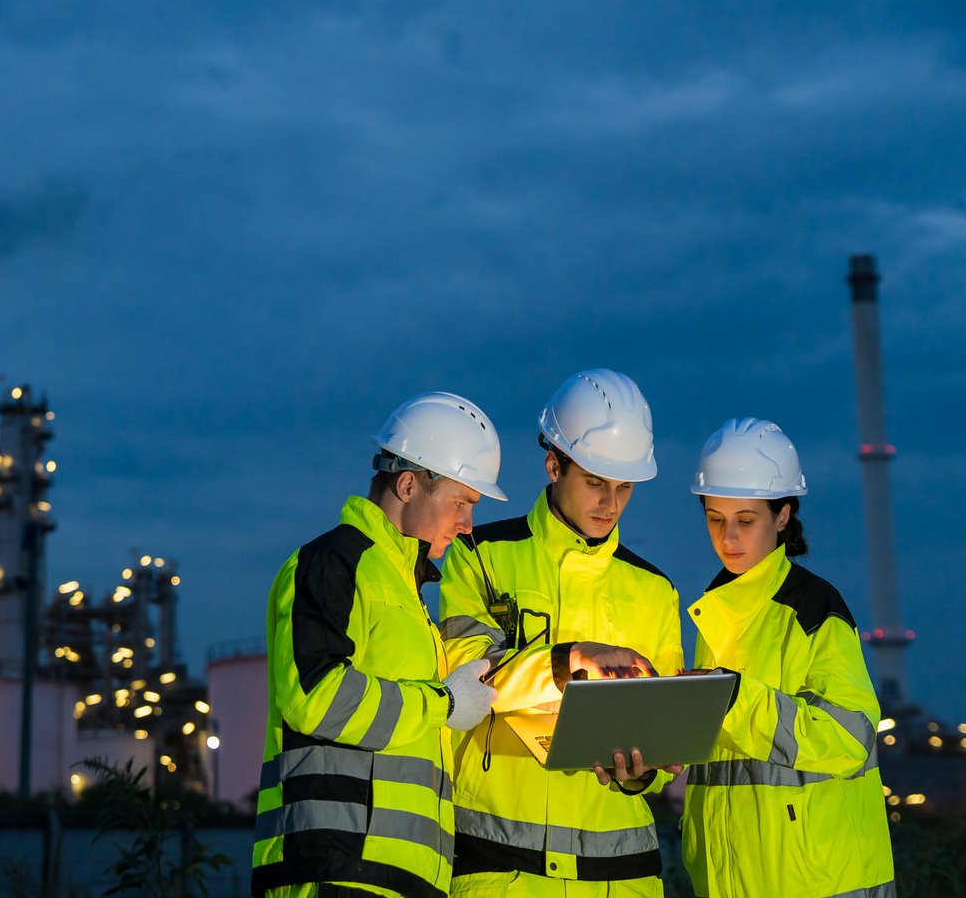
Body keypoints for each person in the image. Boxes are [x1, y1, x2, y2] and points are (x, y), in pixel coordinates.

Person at [253, 392, 509, 898]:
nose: (467, 525)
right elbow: (316, 697)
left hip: (399, 878)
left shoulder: (406, 594)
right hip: (336, 870)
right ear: (408, 485)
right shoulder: (335, 562)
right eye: (460, 503)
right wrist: (443, 703)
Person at [440, 369, 684, 897]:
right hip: (500, 870)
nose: (611, 503)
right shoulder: (479, 556)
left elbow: (662, 735)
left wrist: (644, 773)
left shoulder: (654, 590)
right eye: (596, 482)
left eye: (624, 487)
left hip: (621, 879)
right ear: (554, 464)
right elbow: (463, 677)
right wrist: (567, 659)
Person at [682, 418, 896, 897]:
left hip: (818, 882)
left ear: (782, 516)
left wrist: (732, 698)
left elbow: (849, 738)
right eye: (715, 518)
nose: (728, 537)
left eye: (746, 520)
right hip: (734, 878)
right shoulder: (715, 613)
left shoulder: (814, 611)